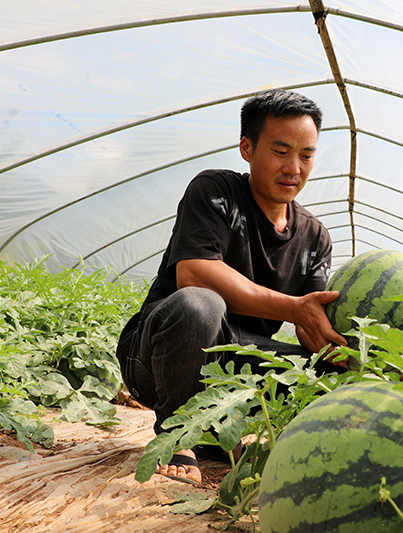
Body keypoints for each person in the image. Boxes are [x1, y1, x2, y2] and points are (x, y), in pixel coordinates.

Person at [116, 89, 347, 485]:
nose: (294, 167)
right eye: (280, 151)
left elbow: (312, 325)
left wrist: (350, 358)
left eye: (306, 155)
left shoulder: (315, 237)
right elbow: (196, 273)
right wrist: (293, 308)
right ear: (246, 148)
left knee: (325, 373)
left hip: (236, 367)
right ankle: (177, 433)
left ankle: (224, 427)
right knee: (200, 305)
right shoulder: (215, 191)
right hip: (161, 354)